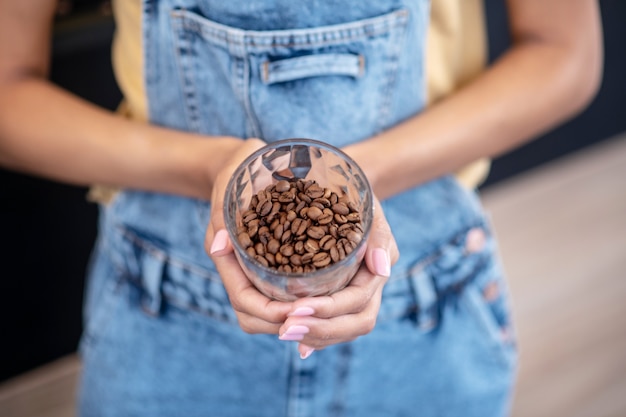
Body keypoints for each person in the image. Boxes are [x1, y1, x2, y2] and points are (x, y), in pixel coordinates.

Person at [0, 0, 602, 416]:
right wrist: (209, 167)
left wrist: (360, 178)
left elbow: (565, 54)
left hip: (424, 305)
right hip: (165, 321)